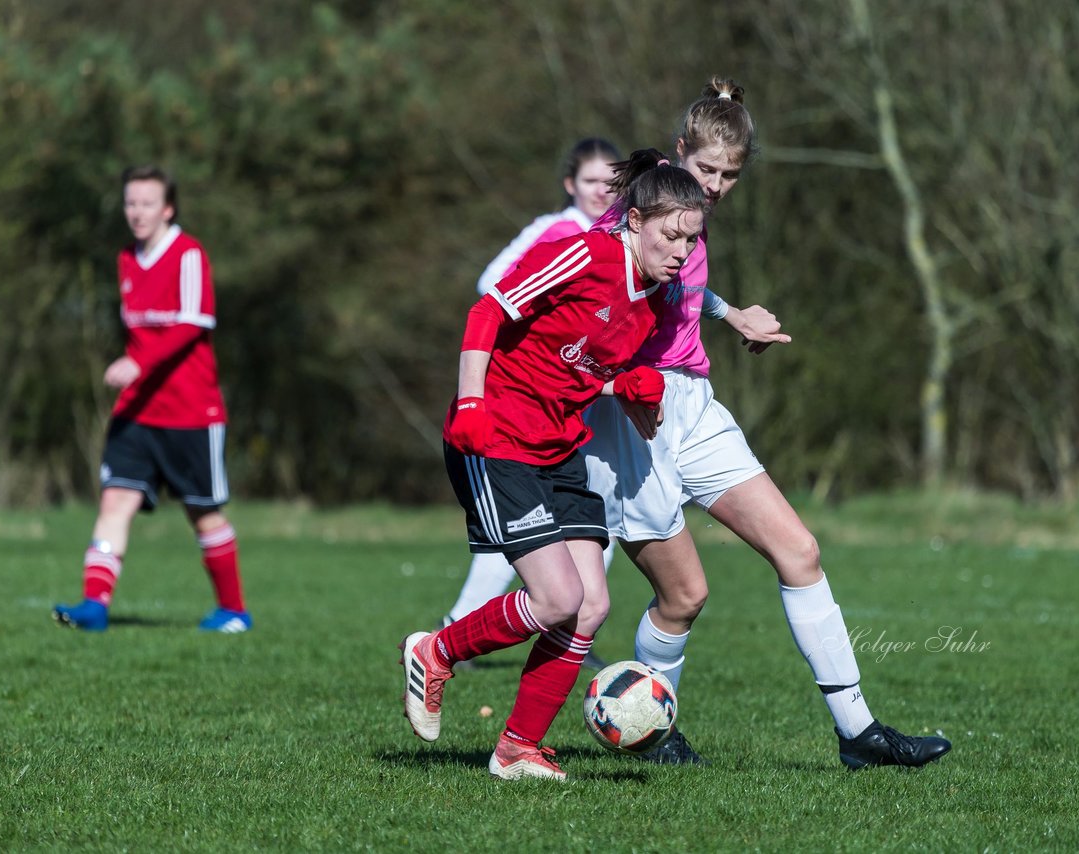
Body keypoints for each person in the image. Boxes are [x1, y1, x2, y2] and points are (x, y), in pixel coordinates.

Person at [584, 79, 952, 769]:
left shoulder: (687, 219)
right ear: (678, 153)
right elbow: (590, 317)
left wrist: (730, 315)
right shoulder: (624, 232)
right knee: (684, 596)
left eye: (731, 175)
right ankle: (651, 731)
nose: (718, 187)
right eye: (706, 171)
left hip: (696, 405)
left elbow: (688, 280)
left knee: (800, 551)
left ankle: (858, 734)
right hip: (636, 419)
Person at [400, 150, 710, 781]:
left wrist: (624, 385)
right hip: (497, 438)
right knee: (557, 597)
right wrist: (469, 401)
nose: (680, 251)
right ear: (634, 221)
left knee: (590, 607)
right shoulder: (586, 255)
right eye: (670, 235)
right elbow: (488, 311)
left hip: (559, 446)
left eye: (691, 239)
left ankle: (516, 749)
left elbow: (574, 369)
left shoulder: (652, 301)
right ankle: (437, 650)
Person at [441, 140, 621, 674]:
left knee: (594, 525)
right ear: (570, 184)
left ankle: (573, 629)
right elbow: (491, 288)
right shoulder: (559, 232)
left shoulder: (615, 240)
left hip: (581, 406)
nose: (600, 192)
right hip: (521, 402)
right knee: (524, 532)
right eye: (591, 181)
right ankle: (459, 627)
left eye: (611, 185)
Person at [53, 166, 251, 634]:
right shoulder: (125, 259)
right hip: (138, 410)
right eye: (130, 203)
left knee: (203, 513)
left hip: (190, 411)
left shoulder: (188, 255)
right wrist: (133, 368)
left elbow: (190, 325)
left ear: (167, 208)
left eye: (146, 203)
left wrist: (138, 364)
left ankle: (234, 611)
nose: (136, 212)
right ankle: (94, 606)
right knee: (115, 500)